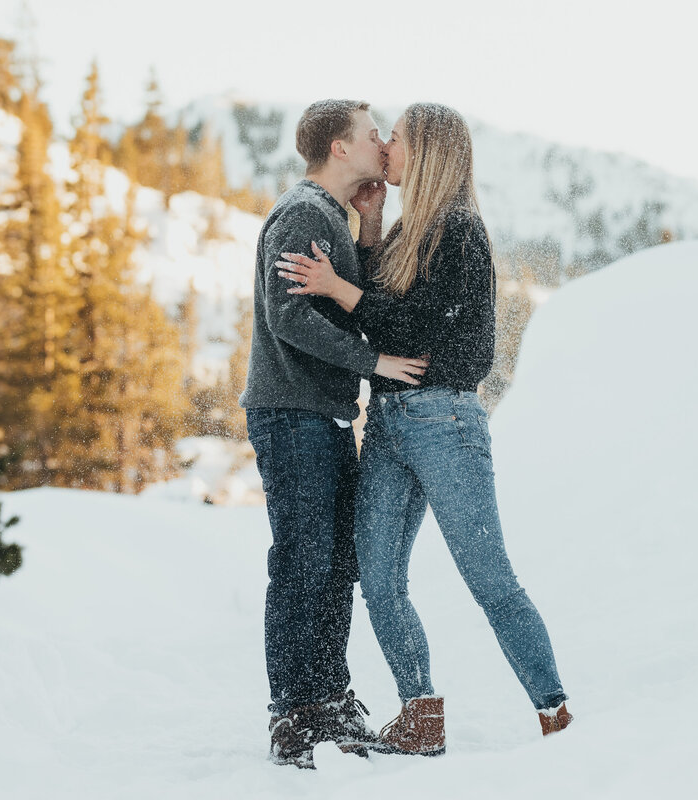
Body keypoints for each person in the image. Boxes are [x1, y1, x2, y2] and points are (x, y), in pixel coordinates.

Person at [275, 102, 573, 757]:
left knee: (490, 581)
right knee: (378, 579)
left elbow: (415, 329)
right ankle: (420, 712)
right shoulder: (413, 228)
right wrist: (373, 227)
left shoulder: (460, 230)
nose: (387, 148)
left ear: (431, 151)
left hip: (443, 421)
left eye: (399, 139)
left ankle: (554, 711)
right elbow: (379, 321)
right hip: (387, 423)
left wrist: (338, 286)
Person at [239, 99, 430, 769]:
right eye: (372, 132)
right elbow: (289, 317)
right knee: (303, 562)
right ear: (340, 148)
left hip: (318, 413)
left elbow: (353, 298)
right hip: (291, 413)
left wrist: (372, 223)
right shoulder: (302, 215)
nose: (382, 141)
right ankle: (294, 710)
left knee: (333, 563)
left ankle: (327, 696)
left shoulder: (334, 218)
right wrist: (374, 362)